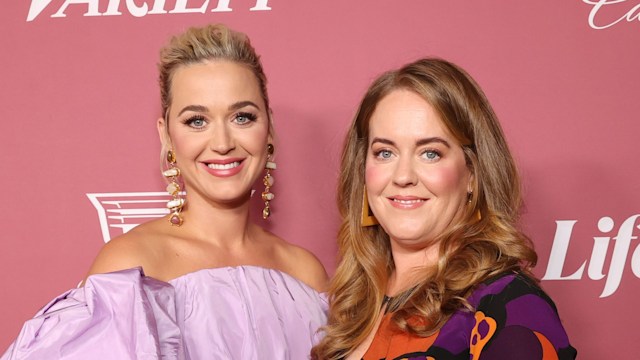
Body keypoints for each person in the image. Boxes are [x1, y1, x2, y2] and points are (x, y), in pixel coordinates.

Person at [2, 24, 328, 360]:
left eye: (242, 117)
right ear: (167, 135)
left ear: (269, 128)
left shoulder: (305, 273)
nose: (222, 143)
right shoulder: (131, 266)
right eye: (196, 121)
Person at [312, 58, 576, 359]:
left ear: (473, 175)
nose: (403, 176)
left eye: (430, 153)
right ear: (362, 170)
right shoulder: (353, 307)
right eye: (385, 152)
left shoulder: (508, 305)